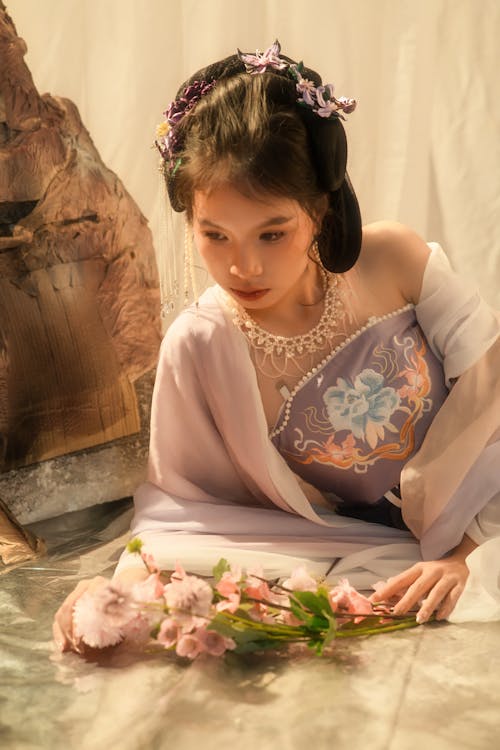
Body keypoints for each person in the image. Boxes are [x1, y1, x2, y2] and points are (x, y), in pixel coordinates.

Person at [53, 41, 500, 654]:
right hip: (379, 555)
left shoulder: (392, 260)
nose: (243, 265)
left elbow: (492, 380)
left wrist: (466, 555)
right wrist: (121, 595)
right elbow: (183, 510)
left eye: (273, 233)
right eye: (215, 235)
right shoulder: (202, 344)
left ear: (319, 208)